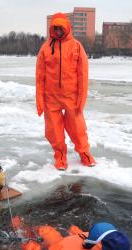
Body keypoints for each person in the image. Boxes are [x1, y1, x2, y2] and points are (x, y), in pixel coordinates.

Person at [36, 13, 96, 170]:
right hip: (51, 97)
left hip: (71, 96)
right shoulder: (45, 48)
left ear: (67, 28)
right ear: (52, 29)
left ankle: (84, 153)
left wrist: (81, 99)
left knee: (77, 127)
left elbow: (83, 74)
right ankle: (60, 155)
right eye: (55, 28)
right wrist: (40, 101)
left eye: (61, 28)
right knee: (54, 130)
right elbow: (39, 76)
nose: (58, 31)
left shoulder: (76, 46)